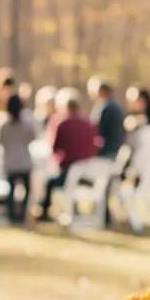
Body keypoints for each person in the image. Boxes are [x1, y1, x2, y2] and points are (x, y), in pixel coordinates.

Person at [37, 90, 97, 222]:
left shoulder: (62, 124)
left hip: (69, 169)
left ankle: (44, 212)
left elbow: (55, 148)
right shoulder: (89, 123)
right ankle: (73, 209)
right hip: (88, 171)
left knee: (50, 182)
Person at [0, 93, 36, 224]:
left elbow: (0, 141)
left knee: (11, 189)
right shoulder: (26, 125)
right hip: (24, 162)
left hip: (10, 162)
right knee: (26, 190)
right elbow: (32, 138)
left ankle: (11, 215)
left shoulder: (4, 126)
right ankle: (22, 214)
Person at [88, 78, 125, 160]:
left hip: (105, 152)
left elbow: (96, 129)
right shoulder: (116, 106)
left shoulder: (105, 107)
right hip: (114, 150)